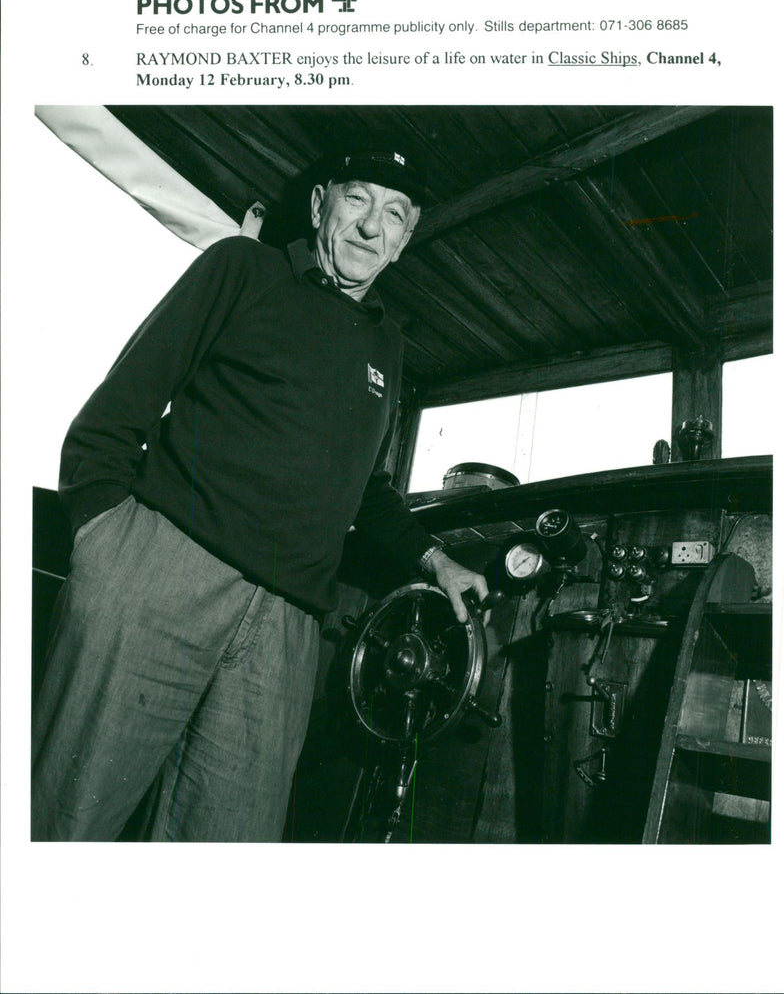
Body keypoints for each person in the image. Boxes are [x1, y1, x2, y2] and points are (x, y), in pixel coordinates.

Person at [31, 145, 488, 841]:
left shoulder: (388, 347)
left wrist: (434, 558)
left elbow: (368, 491)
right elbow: (114, 413)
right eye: (358, 199)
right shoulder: (242, 268)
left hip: (287, 624)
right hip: (160, 574)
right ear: (319, 206)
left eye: (394, 214)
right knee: (66, 814)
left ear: (402, 244)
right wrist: (103, 545)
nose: (371, 226)